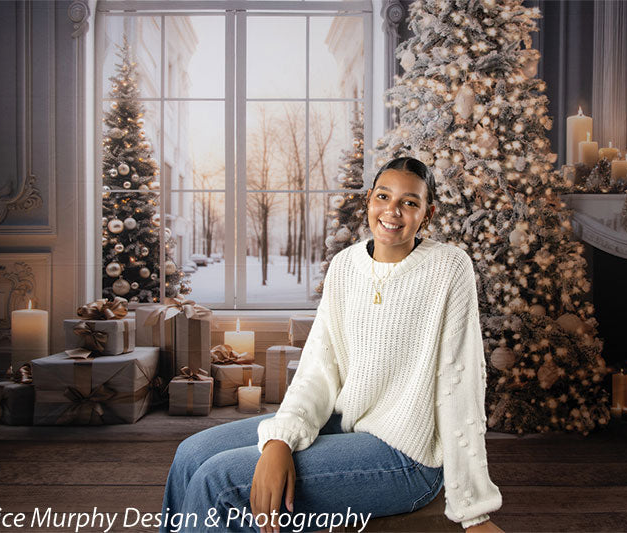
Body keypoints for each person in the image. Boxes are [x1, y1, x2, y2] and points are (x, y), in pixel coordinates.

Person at [160, 157, 503, 533]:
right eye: (384, 196)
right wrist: (281, 439)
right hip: (345, 423)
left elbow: (461, 382)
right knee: (190, 455)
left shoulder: (449, 268)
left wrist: (474, 512)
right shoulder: (345, 265)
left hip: (407, 456)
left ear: (428, 213)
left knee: (218, 480)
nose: (393, 211)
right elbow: (319, 368)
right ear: (369, 200)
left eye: (410, 202)